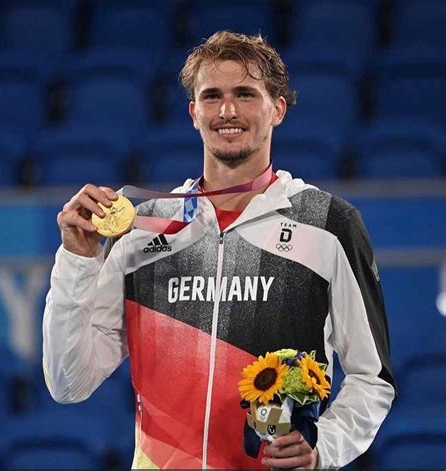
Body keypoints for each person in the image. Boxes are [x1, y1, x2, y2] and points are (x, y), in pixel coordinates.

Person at [43, 31, 396, 469]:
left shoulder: (328, 224)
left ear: (277, 110)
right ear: (194, 113)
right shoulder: (146, 227)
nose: (227, 110)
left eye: (245, 94)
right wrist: (76, 260)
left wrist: (324, 447)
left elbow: (372, 378)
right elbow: (68, 382)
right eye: (212, 96)